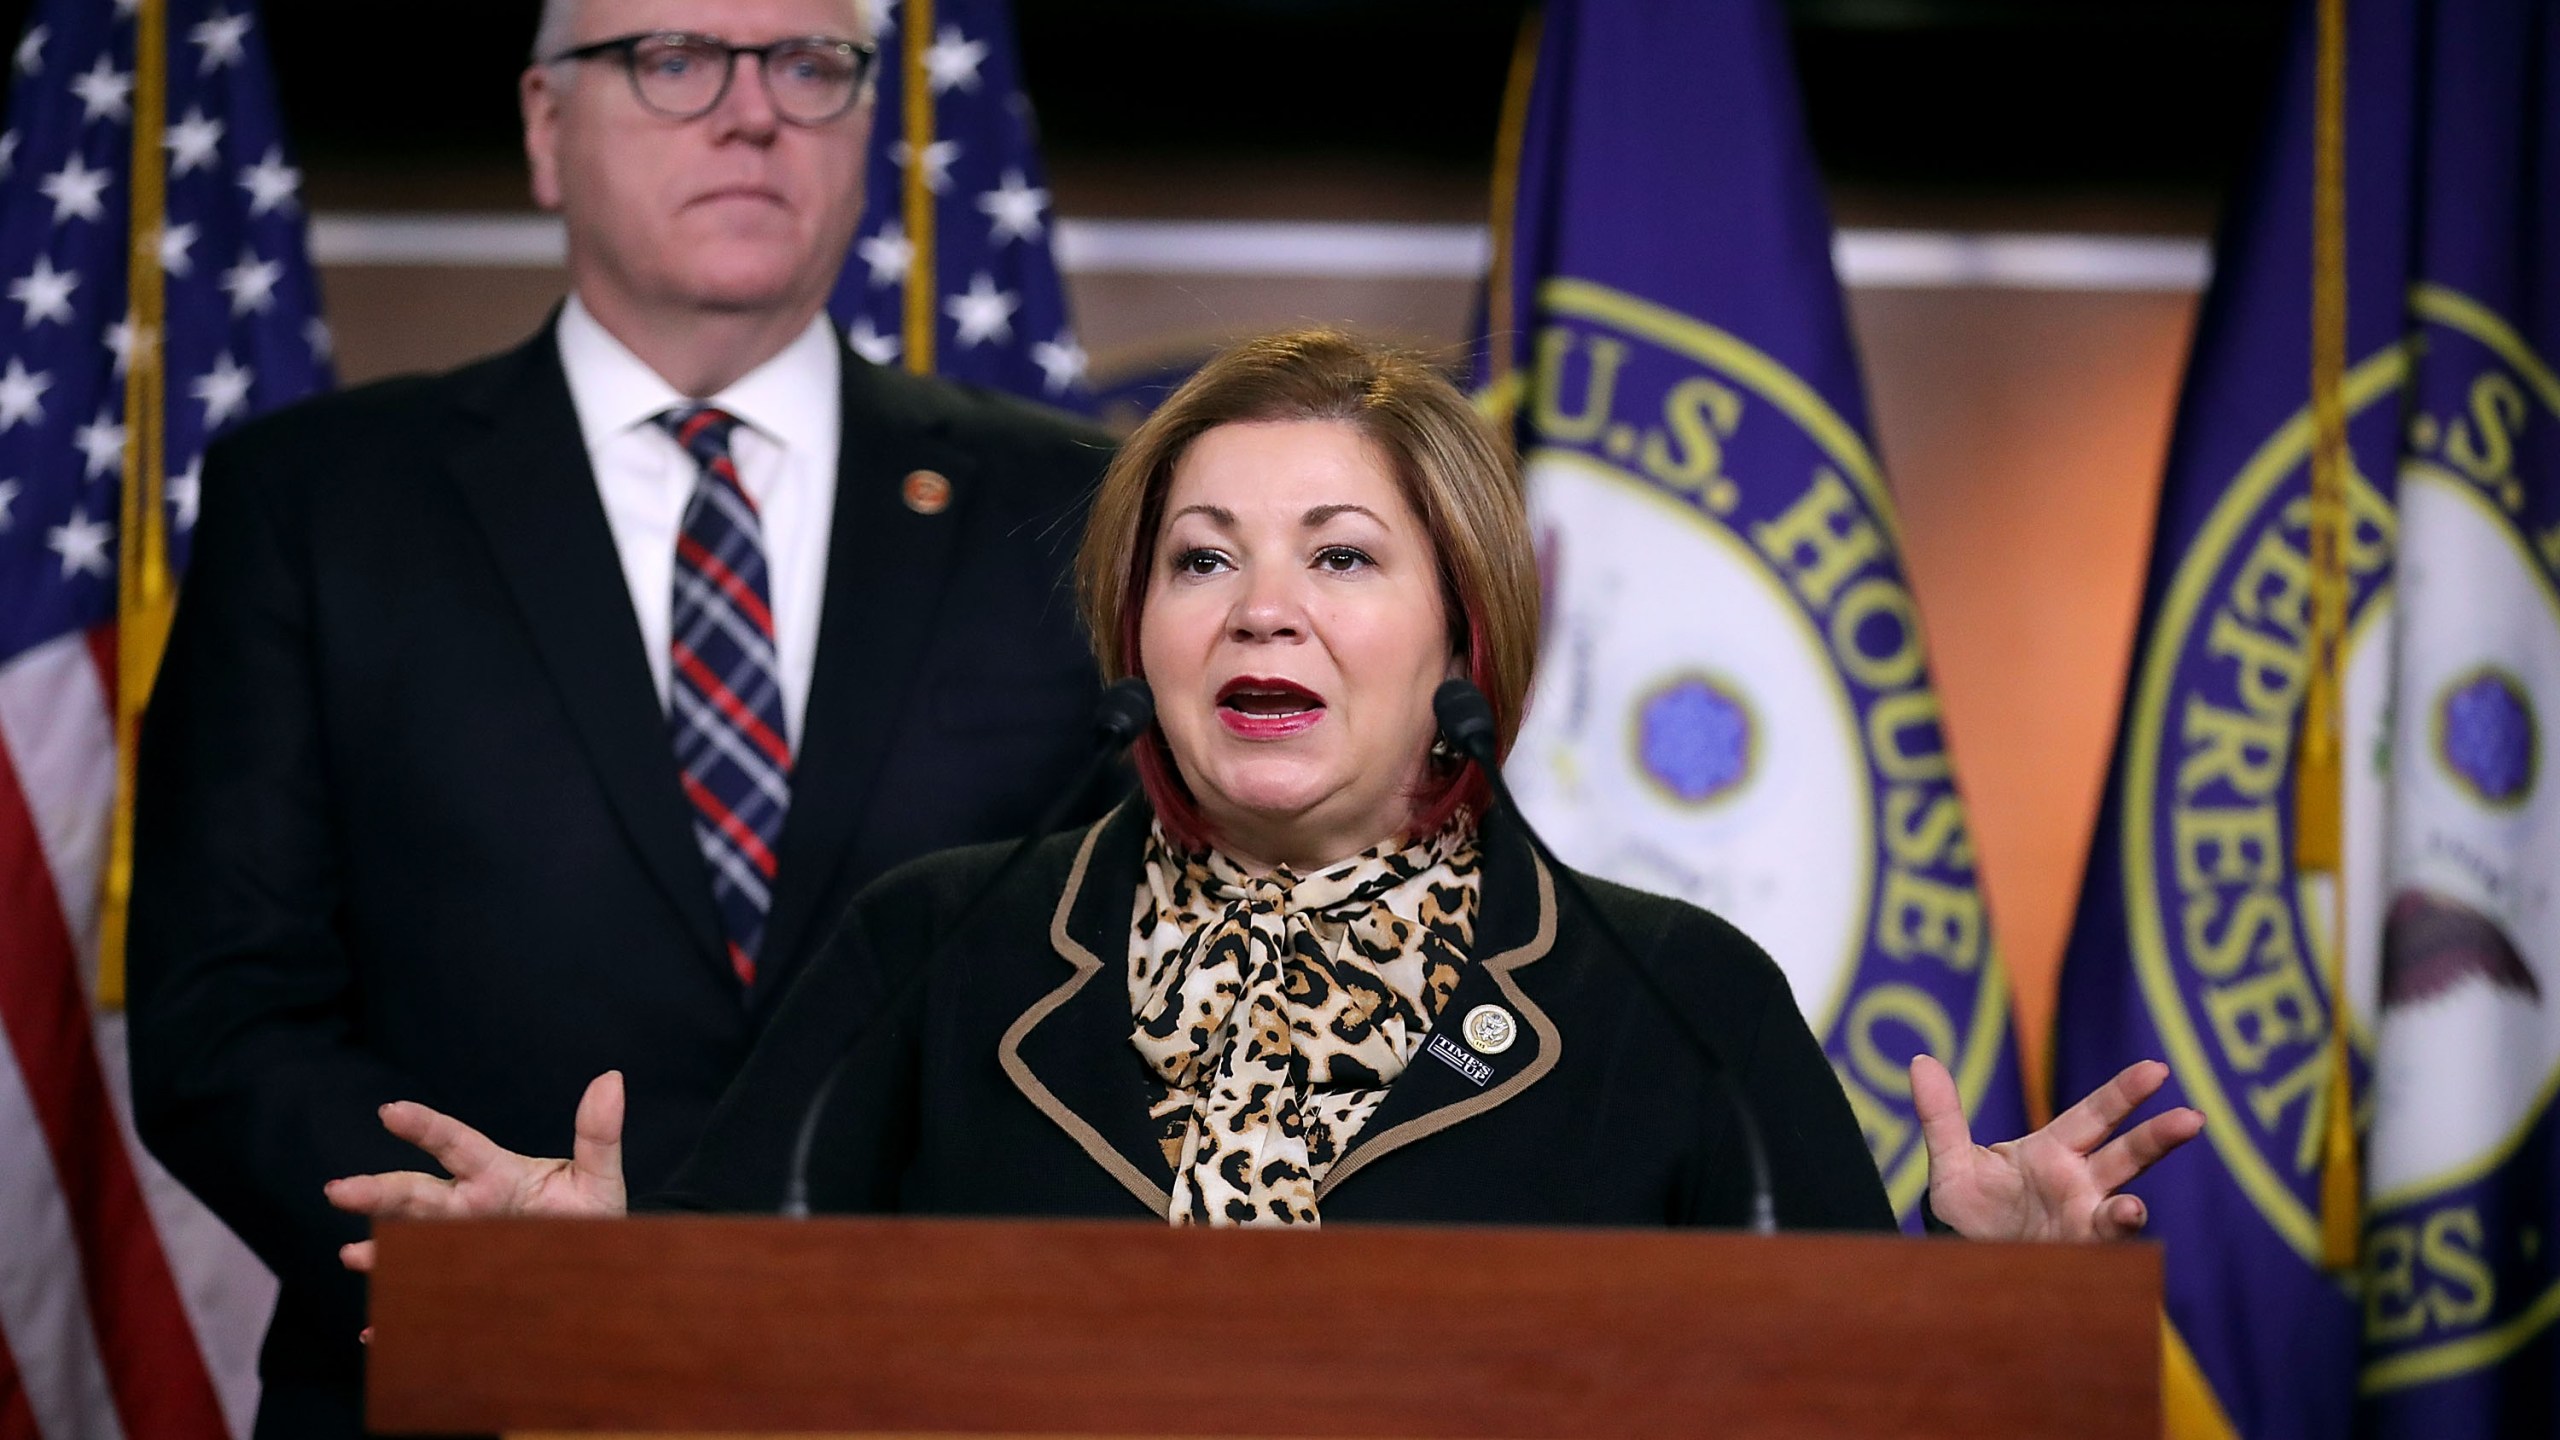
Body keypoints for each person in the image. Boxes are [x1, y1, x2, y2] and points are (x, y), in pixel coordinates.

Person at [327, 330, 2201, 1252]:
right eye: (1201, 559)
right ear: (1135, 626)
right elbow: (733, 1331)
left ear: (1462, 625)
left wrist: (1970, 1285)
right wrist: (600, 1281)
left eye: (1342, 557)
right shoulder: (942, 949)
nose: (1262, 610)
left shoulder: (1676, 1000)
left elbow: (1834, 1404)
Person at [125, 0, 1111, 1433]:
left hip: (931, 1383)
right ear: (544, 126)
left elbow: (1140, 979)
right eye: (672, 58)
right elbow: (224, 1013)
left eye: (810, 64)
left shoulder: (1075, 510)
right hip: (458, 1379)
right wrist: (493, 1262)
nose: (751, 110)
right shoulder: (320, 502)